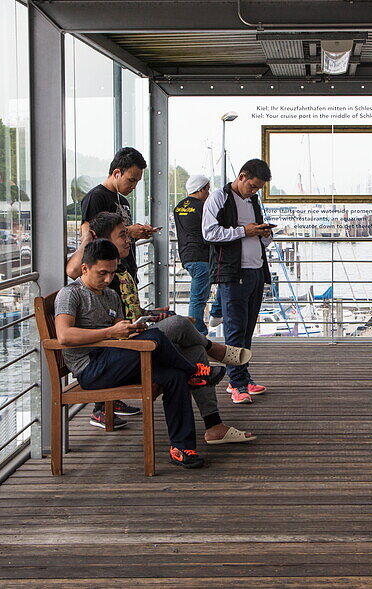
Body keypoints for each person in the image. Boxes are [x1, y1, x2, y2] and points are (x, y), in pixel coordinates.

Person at [68, 211, 256, 445]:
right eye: (122, 235)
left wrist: (153, 315)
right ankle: (214, 352)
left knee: (190, 351)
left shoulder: (114, 279)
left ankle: (211, 427)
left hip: (123, 348)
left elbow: (127, 318)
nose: (129, 240)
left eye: (127, 234)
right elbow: (73, 329)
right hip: (109, 359)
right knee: (177, 326)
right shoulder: (89, 287)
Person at [54, 240, 227, 468]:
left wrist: (133, 328)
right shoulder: (71, 294)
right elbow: (64, 335)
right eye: (102, 273)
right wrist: (111, 331)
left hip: (116, 359)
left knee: (175, 377)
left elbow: (119, 329)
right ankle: (195, 371)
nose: (108, 279)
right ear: (85, 268)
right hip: (92, 369)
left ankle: (182, 448)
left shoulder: (110, 294)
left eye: (112, 273)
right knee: (157, 339)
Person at [203, 158, 273, 404]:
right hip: (233, 273)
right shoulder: (218, 198)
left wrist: (264, 233)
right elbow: (209, 233)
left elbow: (258, 234)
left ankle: (242, 377)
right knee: (234, 330)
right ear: (242, 176)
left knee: (247, 330)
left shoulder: (252, 200)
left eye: (258, 189)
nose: (254, 192)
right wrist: (245, 231)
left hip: (256, 270)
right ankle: (237, 383)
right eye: (252, 186)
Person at [79, 147, 158, 282]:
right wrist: (129, 231)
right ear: (116, 173)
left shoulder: (123, 200)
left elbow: (118, 239)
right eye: (131, 180)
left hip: (127, 273)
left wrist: (137, 234)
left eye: (137, 182)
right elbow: (90, 239)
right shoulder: (96, 197)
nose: (134, 186)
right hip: (110, 278)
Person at [174, 174, 221, 337]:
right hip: (201, 255)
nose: (208, 193)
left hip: (186, 255)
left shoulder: (179, 207)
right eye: (207, 190)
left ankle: (203, 325)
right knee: (198, 297)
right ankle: (197, 333)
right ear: (200, 189)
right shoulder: (203, 207)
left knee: (198, 295)